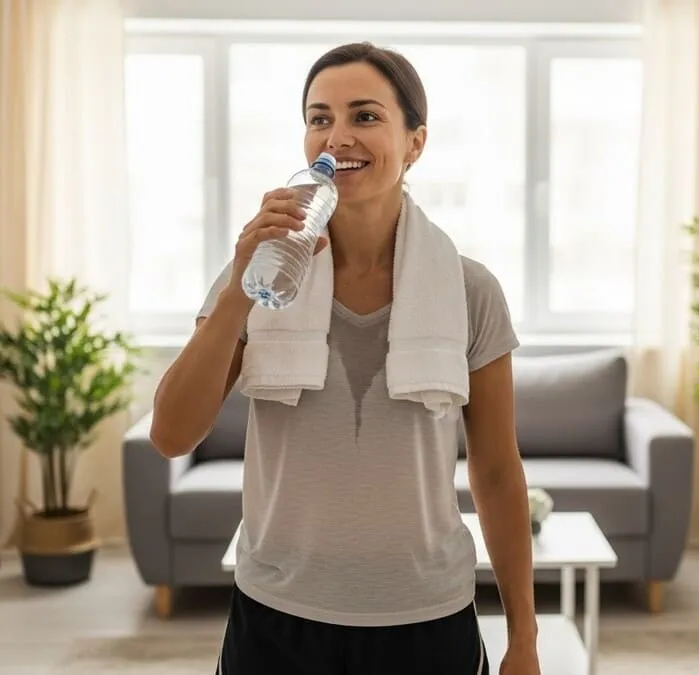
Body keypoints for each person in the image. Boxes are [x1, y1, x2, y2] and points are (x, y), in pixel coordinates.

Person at [150, 41, 540, 675]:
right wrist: (236, 294)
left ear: (415, 142)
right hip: (276, 618)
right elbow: (170, 434)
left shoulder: (471, 291)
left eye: (365, 116)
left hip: (427, 617)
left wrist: (523, 638)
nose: (338, 136)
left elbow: (497, 472)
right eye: (318, 117)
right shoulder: (253, 273)